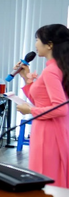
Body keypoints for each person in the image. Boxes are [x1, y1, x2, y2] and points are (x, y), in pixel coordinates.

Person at [16, 24, 69, 187]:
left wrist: (30, 110)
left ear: (50, 44)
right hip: (50, 127)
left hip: (48, 131)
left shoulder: (51, 71)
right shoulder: (57, 67)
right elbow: (41, 100)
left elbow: (60, 108)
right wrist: (26, 77)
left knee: (45, 175)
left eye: (37, 39)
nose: (35, 44)